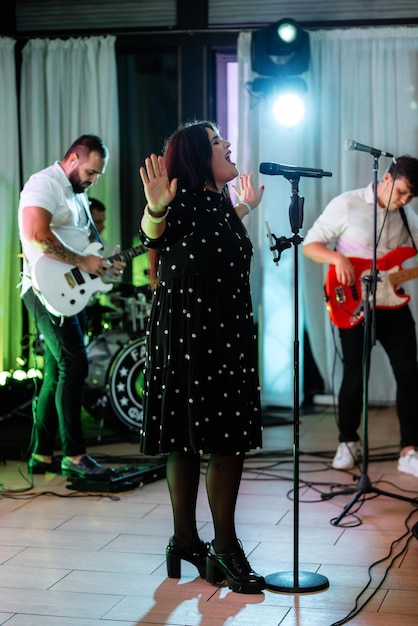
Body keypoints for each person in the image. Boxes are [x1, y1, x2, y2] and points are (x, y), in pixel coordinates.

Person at [138, 120, 265, 593]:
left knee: (192, 438)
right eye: (217, 142)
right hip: (195, 334)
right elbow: (154, 234)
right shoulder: (182, 200)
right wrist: (154, 209)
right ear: (196, 157)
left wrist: (245, 208)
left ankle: (185, 542)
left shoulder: (217, 203)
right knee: (218, 440)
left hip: (219, 330)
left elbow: (211, 246)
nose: (228, 145)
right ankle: (224, 550)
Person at [303, 155, 418, 475]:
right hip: (353, 304)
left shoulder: (407, 215)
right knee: (355, 375)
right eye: (402, 192)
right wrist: (336, 259)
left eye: (411, 196)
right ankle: (348, 441)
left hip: (393, 305)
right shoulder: (348, 204)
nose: (405, 200)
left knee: (410, 374)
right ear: (386, 179)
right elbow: (310, 245)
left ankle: (409, 450)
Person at [18, 134, 125, 478]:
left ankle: (42, 455)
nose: (94, 180)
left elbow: (82, 246)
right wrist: (83, 261)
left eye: (98, 175)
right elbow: (37, 232)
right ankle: (74, 457)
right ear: (74, 159)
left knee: (55, 372)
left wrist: (105, 264)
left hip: (65, 292)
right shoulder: (44, 184)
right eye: (91, 172)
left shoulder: (77, 194)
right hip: (44, 291)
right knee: (74, 366)